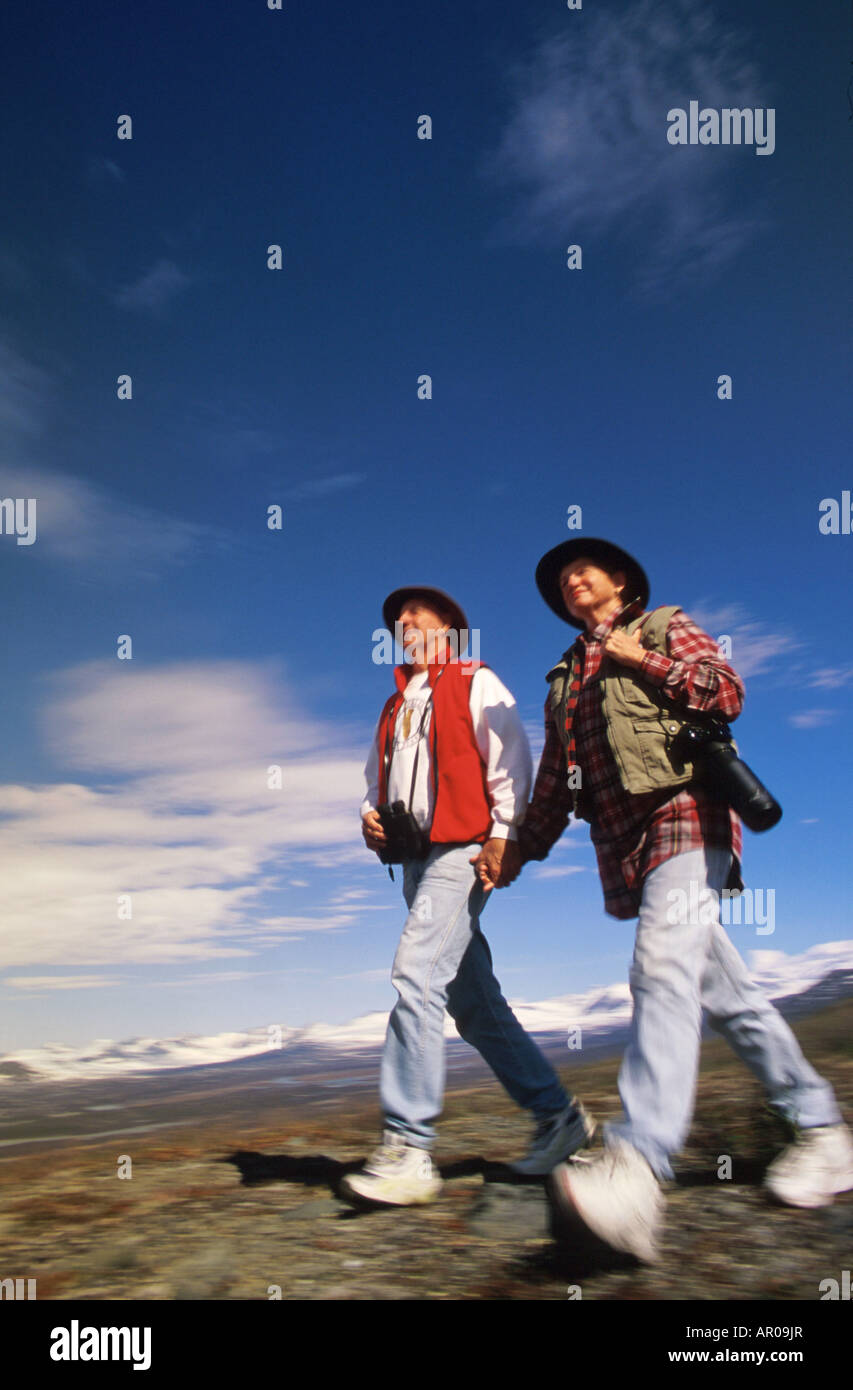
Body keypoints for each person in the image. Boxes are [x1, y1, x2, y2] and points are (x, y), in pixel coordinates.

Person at [512, 538, 853, 1262]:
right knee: (726, 994)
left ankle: (638, 1168)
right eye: (561, 576)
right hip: (626, 846)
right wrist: (513, 850)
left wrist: (644, 661)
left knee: (660, 966)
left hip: (686, 815)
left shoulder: (663, 624)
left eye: (586, 568)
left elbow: (723, 689)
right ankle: (823, 1132)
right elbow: (552, 783)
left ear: (620, 582)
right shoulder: (563, 679)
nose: (573, 578)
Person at [340, 584, 592, 1207]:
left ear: (449, 626)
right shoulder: (393, 707)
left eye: (415, 612)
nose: (402, 620)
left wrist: (506, 834)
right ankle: (559, 1119)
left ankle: (408, 1146)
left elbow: (510, 760)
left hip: (464, 850)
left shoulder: (477, 680)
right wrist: (370, 818)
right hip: (415, 860)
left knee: (416, 972)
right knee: (471, 1001)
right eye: (397, 617)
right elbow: (375, 785)